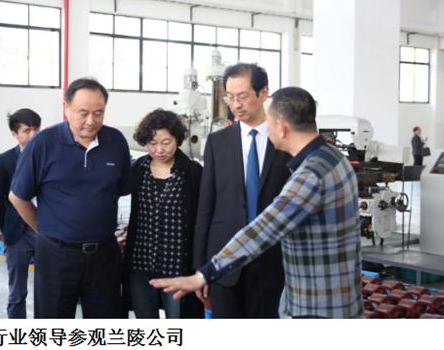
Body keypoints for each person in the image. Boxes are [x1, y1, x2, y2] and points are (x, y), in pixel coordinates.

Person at [151, 87, 363, 319]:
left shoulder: (310, 175)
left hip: (316, 307)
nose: (265, 128)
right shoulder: (334, 158)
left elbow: (263, 230)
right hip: (342, 299)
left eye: (267, 122)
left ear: (281, 128)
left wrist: (204, 274)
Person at [9, 78, 132, 318]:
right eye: (83, 113)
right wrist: (45, 229)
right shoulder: (43, 143)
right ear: (66, 108)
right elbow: (17, 196)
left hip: (104, 255)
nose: (91, 121)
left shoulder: (116, 142)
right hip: (56, 256)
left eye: (98, 113)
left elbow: (118, 189)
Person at [193, 63, 291, 318]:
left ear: (263, 93)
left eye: (243, 96)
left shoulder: (284, 141)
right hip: (223, 259)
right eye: (230, 97)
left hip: (271, 261)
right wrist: (201, 268)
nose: (235, 104)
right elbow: (205, 207)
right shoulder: (217, 142)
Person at [123, 109, 203, 319]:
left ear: (177, 140)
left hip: (178, 268)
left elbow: (202, 222)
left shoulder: (193, 173)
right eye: (152, 143)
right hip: (140, 263)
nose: (159, 150)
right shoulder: (138, 169)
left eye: (166, 143)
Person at [0, 108, 41, 318]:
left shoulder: (49, 157)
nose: (33, 135)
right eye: (26, 131)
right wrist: (7, 226)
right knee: (17, 292)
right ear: (14, 134)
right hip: (17, 234)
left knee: (48, 290)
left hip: (45, 231)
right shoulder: (4, 161)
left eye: (36, 129)